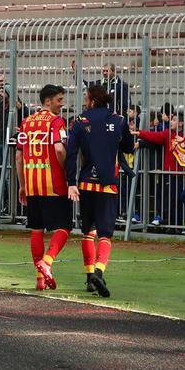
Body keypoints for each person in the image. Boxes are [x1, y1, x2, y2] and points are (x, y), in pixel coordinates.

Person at [64, 84, 136, 298]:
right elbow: (129, 147)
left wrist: (71, 182)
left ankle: (89, 278)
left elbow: (70, 153)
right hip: (108, 184)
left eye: (86, 98)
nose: (85, 102)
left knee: (88, 231)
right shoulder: (119, 120)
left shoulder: (80, 121)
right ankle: (99, 272)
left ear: (92, 100)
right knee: (105, 234)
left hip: (86, 184)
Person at [16, 84, 70, 291]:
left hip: (32, 183)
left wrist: (22, 185)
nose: (61, 104)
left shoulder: (26, 122)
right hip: (53, 183)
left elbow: (18, 156)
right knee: (64, 227)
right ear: (48, 101)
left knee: (37, 229)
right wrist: (67, 172)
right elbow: (59, 149)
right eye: (59, 100)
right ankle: (47, 262)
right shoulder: (56, 121)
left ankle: (40, 279)